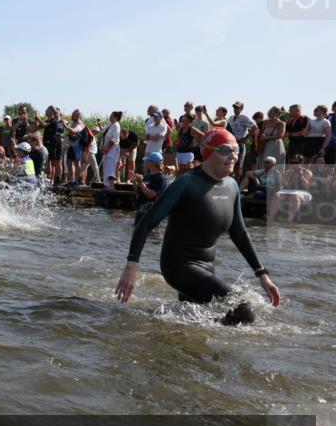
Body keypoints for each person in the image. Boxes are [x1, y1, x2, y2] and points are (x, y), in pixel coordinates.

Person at [115, 127, 281, 325]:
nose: (234, 156)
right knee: (243, 310)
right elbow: (146, 223)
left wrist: (262, 274)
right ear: (209, 152)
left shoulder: (232, 186)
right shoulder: (186, 183)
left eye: (236, 150)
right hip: (179, 267)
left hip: (206, 268)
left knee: (190, 322)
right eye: (226, 150)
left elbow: (240, 233)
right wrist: (132, 265)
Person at [131, 151, 170, 224]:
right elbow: (138, 190)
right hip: (141, 209)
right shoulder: (148, 176)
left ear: (153, 163)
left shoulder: (161, 179)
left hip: (150, 211)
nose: (146, 163)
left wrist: (140, 182)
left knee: (149, 233)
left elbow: (151, 195)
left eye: (148, 161)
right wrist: (134, 181)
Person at [226, 101, 258, 178]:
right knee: (230, 164)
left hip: (239, 144)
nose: (235, 109)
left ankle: (237, 186)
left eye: (237, 107)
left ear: (241, 108)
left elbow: (255, 127)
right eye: (234, 107)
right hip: (230, 144)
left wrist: (246, 137)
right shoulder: (230, 118)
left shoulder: (244, 117)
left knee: (238, 165)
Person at [100, 111, 122, 189]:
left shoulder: (116, 125)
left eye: (111, 115)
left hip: (113, 149)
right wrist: (103, 147)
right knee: (106, 166)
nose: (110, 116)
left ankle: (112, 186)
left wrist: (107, 148)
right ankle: (107, 185)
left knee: (110, 167)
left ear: (115, 117)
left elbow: (114, 139)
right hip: (108, 149)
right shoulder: (110, 124)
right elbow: (102, 131)